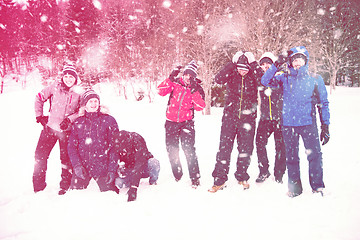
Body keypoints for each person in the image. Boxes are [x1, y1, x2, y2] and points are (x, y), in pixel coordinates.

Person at [261, 46, 330, 197]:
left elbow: (323, 103)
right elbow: (265, 80)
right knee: (291, 158)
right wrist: (276, 64)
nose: (297, 63)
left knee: (315, 156)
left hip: (308, 124)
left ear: (306, 61)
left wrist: (325, 125)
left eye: (300, 60)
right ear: (290, 63)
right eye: (294, 60)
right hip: (289, 125)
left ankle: (317, 186)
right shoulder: (283, 78)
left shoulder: (315, 79)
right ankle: (294, 189)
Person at [209, 51, 263, 193]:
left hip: (248, 119)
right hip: (230, 117)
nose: (242, 71)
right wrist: (231, 64)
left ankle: (241, 176)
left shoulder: (253, 75)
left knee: (245, 149)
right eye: (239, 68)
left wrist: (254, 64)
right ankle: (220, 179)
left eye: (245, 69)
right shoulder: (232, 73)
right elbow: (218, 79)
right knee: (224, 149)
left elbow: (264, 81)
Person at [33, 64, 83, 195]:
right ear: (62, 77)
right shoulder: (54, 87)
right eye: (65, 76)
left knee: (66, 159)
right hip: (49, 128)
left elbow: (81, 111)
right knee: (40, 156)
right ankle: (38, 187)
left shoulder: (79, 92)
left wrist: (70, 119)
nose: (68, 79)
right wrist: (39, 116)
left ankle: (65, 186)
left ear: (75, 78)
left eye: (71, 77)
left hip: (66, 131)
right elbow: (39, 97)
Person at [157, 60, 205, 188]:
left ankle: (195, 178)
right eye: (186, 74)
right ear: (183, 74)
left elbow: (200, 106)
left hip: (187, 124)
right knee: (171, 149)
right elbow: (160, 91)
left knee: (189, 150)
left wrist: (194, 91)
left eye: (191, 75)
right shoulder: (175, 83)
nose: (188, 77)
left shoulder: (197, 88)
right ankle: (177, 174)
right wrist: (170, 78)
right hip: (171, 122)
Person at [67, 89, 119, 194]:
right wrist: (77, 166)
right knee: (74, 196)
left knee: (110, 196)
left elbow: (115, 147)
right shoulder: (78, 122)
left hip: (102, 167)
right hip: (83, 167)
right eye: (90, 101)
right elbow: (72, 147)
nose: (94, 104)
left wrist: (112, 169)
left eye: (96, 101)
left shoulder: (109, 120)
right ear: (84, 105)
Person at [255, 52, 286, 184]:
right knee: (259, 143)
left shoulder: (281, 77)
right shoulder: (260, 78)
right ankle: (264, 171)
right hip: (265, 119)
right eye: (262, 64)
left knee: (281, 147)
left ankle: (279, 173)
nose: (265, 66)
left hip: (280, 119)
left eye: (268, 63)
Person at [113, 130, 160, 202]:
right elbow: (114, 161)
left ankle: (153, 182)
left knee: (154, 163)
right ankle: (128, 183)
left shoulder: (137, 140)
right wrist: (118, 171)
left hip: (143, 168)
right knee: (118, 183)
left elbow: (140, 163)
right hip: (130, 170)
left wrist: (134, 187)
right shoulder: (117, 143)